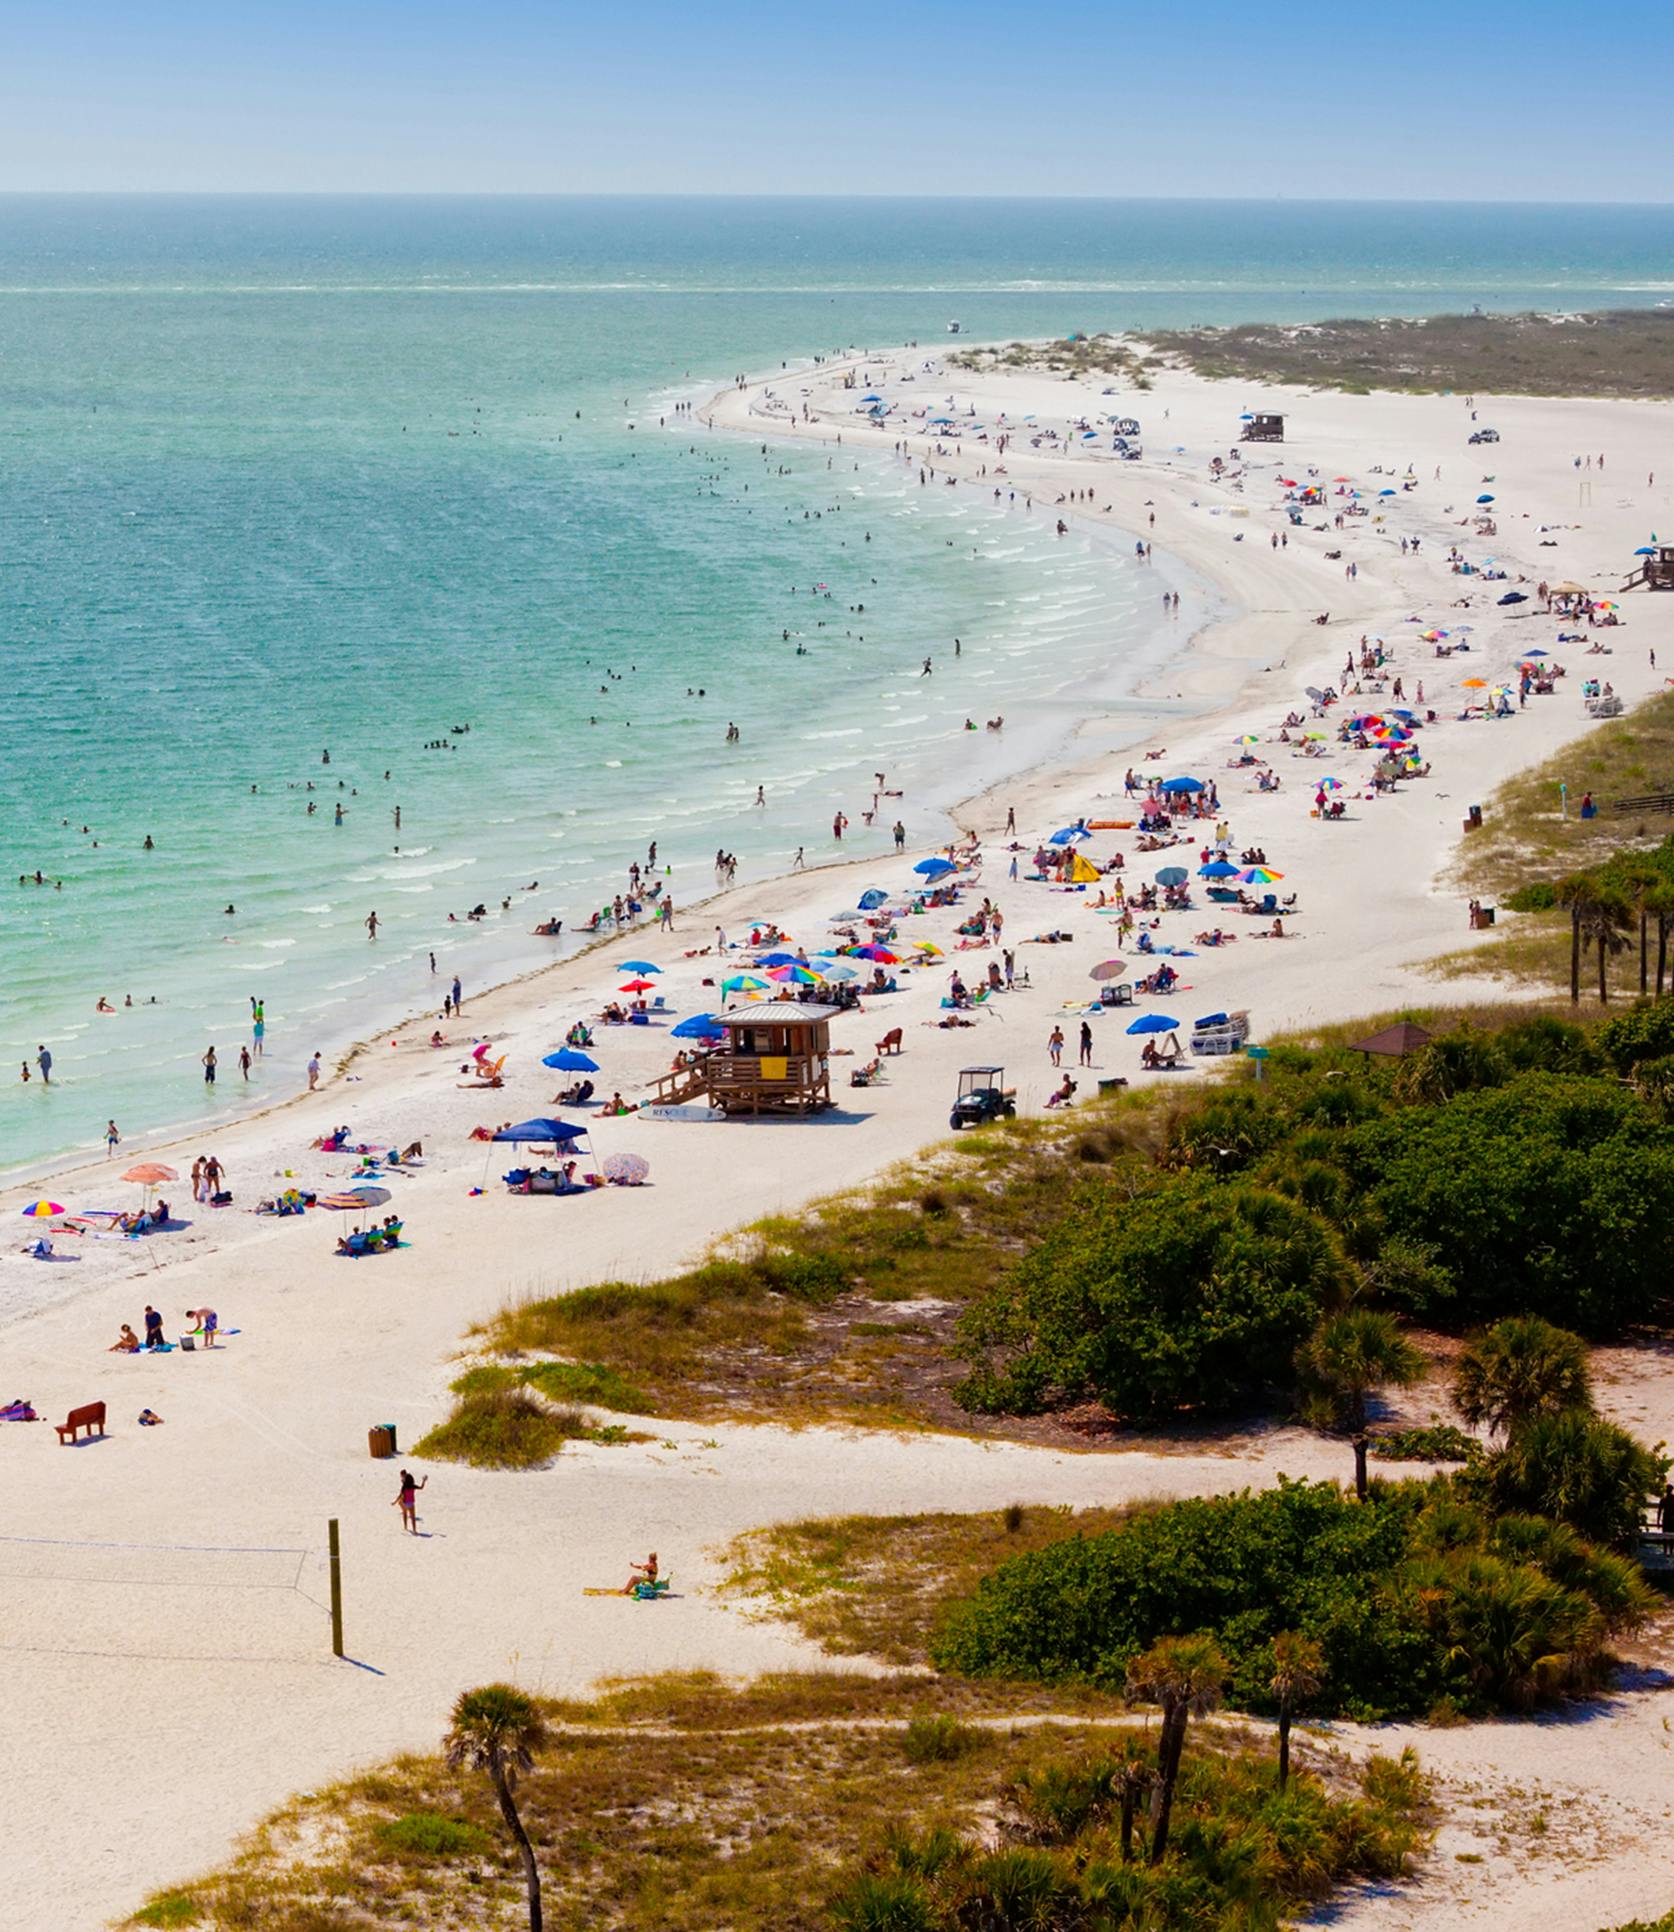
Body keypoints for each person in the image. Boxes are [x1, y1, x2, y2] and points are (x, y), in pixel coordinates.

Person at [395, 1468, 427, 1533]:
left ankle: (405, 1527)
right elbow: (421, 1487)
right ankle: (414, 1530)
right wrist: (423, 1481)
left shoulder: (404, 1487)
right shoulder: (413, 1486)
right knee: (413, 1517)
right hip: (411, 1503)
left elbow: (400, 1495)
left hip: (405, 1503)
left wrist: (394, 1502)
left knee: (405, 1514)